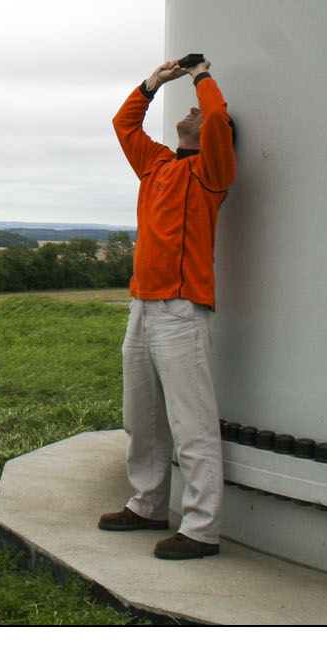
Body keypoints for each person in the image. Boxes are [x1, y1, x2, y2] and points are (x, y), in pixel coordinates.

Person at [98, 57, 236, 560]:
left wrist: (201, 75)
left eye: (199, 114)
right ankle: (147, 504)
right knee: (142, 414)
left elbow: (219, 120)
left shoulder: (212, 172)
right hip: (142, 306)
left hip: (182, 310)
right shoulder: (156, 163)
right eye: (194, 110)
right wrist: (154, 82)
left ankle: (201, 530)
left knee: (191, 422)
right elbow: (123, 123)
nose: (195, 114)